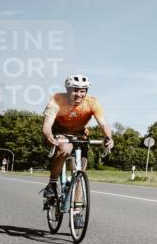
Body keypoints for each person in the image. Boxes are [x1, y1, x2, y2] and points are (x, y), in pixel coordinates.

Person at [41, 74, 114, 226]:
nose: (79, 94)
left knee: (79, 172)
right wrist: (48, 134)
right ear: (67, 89)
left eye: (83, 91)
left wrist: (109, 138)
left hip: (80, 134)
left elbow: (103, 123)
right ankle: (53, 183)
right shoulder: (57, 99)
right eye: (75, 90)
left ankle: (76, 212)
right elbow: (47, 124)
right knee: (64, 149)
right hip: (59, 130)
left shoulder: (92, 102)